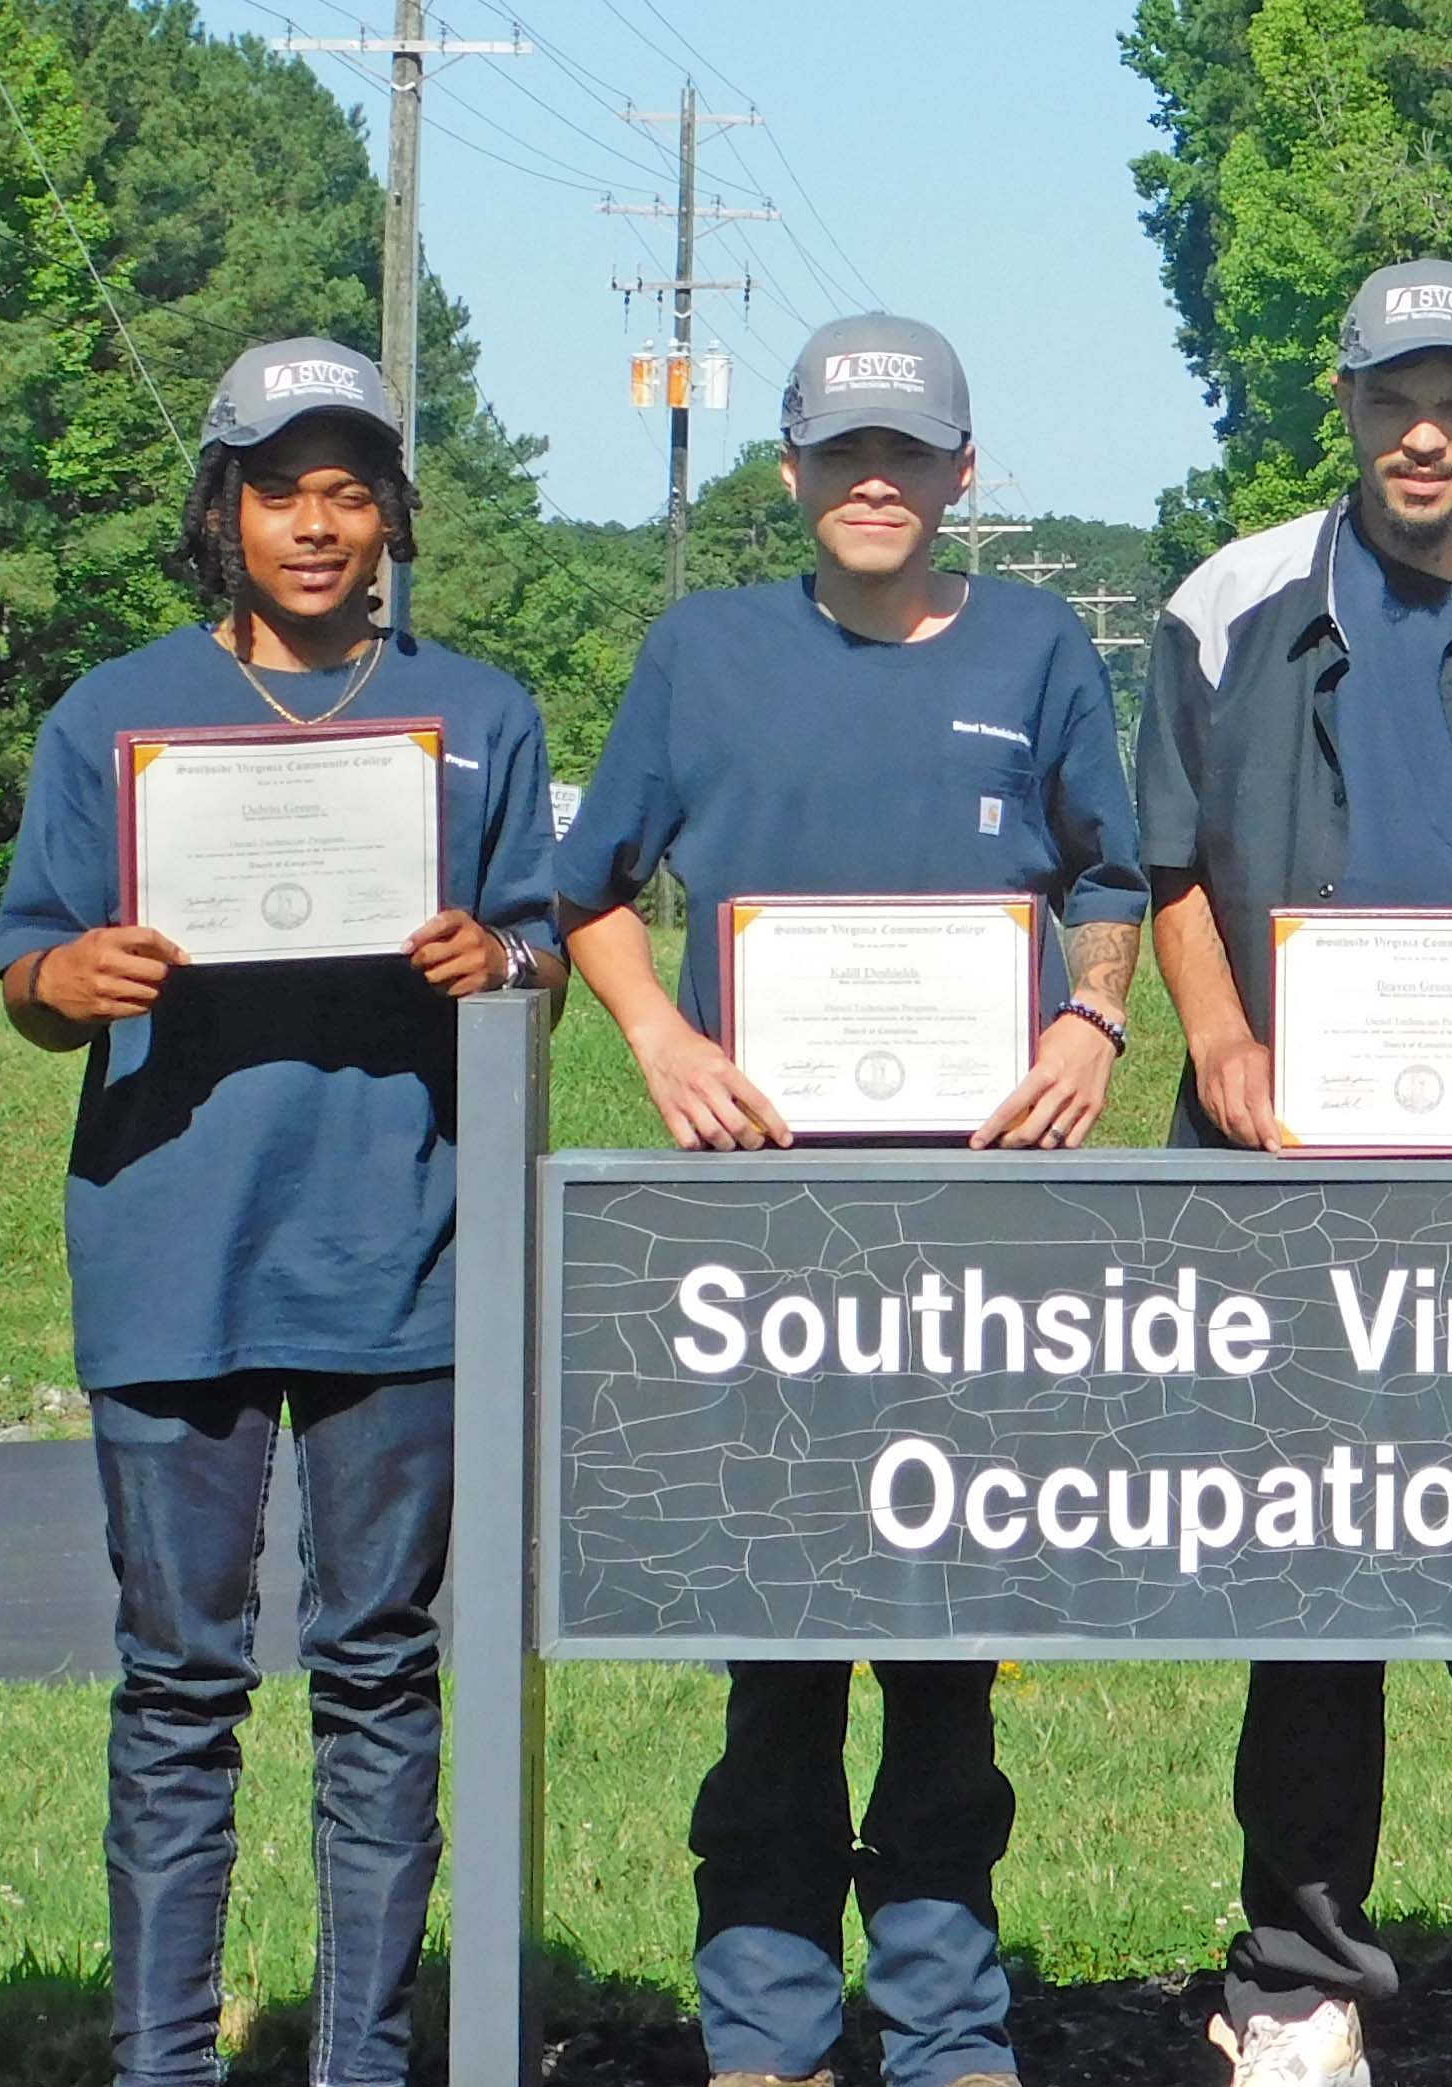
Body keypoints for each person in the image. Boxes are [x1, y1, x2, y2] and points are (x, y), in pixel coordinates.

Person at [553, 313, 1140, 2087]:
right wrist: (656, 1033)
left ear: (964, 475)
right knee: (780, 1653)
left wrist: (1090, 1017)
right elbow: (589, 887)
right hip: (764, 1230)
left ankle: (949, 2033)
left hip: (976, 1232)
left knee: (951, 1657)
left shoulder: (1040, 649)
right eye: (838, 454)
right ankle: (769, 2030)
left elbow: (1108, 870)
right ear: (792, 472)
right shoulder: (700, 654)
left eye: (908, 455)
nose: (872, 481)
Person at [0, 338, 559, 2087]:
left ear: (392, 513)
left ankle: (363, 2059)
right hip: (174, 1251)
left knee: (382, 1677)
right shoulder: (114, 714)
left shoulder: (480, 714)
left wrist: (505, 967)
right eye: (279, 489)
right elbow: (20, 971)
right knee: (178, 1690)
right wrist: (67, 979)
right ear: (220, 512)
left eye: (349, 490)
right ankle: (159, 2060)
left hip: (404, 1254)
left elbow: (546, 955)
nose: (317, 525)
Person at [1137, 259, 1452, 2087]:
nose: (1422, 429)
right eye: (1389, 395)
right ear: (1340, 403)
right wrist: (1218, 1046)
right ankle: (1297, 1976)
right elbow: (1170, 867)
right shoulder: (1227, 603)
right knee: (1312, 1581)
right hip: (1288, 1169)